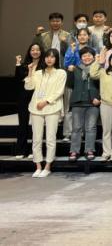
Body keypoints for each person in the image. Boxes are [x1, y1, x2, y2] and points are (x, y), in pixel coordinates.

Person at [24, 48, 66, 178]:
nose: (49, 59)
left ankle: (47, 166)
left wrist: (46, 101)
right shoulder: (38, 73)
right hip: (36, 108)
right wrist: (30, 71)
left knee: (50, 138)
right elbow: (28, 87)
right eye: (47, 56)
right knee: (36, 138)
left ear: (56, 59)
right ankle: (38, 166)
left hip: (52, 107)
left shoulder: (61, 73)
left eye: (52, 57)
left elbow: (59, 91)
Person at [66, 47, 101, 162]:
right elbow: (70, 84)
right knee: (76, 128)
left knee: (91, 127)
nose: (87, 57)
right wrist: (70, 72)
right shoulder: (75, 69)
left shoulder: (99, 69)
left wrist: (99, 99)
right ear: (80, 58)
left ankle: (89, 150)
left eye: (89, 55)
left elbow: (103, 86)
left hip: (93, 102)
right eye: (84, 56)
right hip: (78, 102)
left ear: (93, 57)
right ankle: (74, 151)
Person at [14, 42, 43, 158]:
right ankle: (21, 150)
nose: (35, 52)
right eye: (33, 50)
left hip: (38, 96)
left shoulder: (44, 65)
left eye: (37, 50)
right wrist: (17, 64)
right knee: (23, 123)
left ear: (41, 51)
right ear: (29, 52)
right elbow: (18, 79)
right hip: (24, 96)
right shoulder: (24, 65)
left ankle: (34, 150)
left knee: (36, 125)